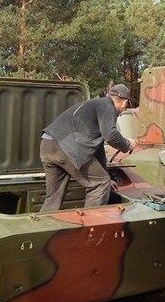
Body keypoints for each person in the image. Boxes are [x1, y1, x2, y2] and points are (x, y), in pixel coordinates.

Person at [39, 84, 137, 212]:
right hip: (67, 148)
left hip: (47, 145)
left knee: (53, 197)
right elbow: (111, 135)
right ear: (125, 102)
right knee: (99, 184)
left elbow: (98, 149)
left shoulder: (93, 104)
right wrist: (127, 144)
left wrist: (106, 176)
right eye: (127, 106)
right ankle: (91, 229)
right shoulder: (107, 105)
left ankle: (44, 227)